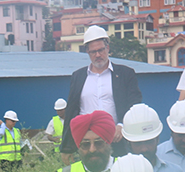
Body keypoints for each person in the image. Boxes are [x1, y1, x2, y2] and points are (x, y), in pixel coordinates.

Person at [59, 26, 142, 159]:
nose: (98, 55)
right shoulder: (78, 77)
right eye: (93, 52)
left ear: (107, 48)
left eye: (101, 50)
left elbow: (134, 104)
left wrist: (122, 125)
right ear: (87, 52)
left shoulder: (125, 74)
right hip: (87, 144)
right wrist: (66, 148)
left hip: (117, 142)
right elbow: (71, 111)